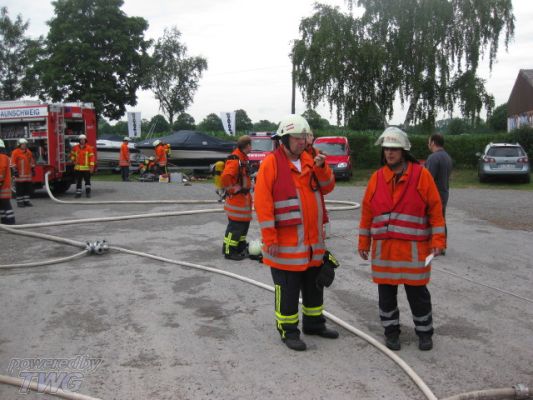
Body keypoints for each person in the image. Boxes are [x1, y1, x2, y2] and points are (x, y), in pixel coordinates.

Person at [358, 127, 446, 352]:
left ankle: (425, 333)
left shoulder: (421, 176)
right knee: (386, 296)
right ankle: (391, 333)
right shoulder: (377, 178)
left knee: (418, 296)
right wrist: (363, 242)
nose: (389, 152)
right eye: (386, 148)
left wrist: (438, 241)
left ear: (404, 151)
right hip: (385, 251)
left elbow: (435, 210)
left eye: (394, 148)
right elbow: (367, 213)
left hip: (413, 252)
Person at [254, 115, 338, 352]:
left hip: (312, 244)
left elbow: (328, 187)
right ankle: (288, 331)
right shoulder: (271, 164)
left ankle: (314, 324)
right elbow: (262, 203)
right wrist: (269, 237)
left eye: (304, 137)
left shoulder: (311, 160)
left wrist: (321, 168)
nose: (303, 142)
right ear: (284, 139)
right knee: (288, 292)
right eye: (297, 138)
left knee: (314, 288)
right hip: (285, 246)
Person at [221, 135, 253, 260]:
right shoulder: (235, 160)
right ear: (247, 146)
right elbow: (226, 176)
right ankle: (229, 251)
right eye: (250, 145)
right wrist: (232, 189)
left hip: (243, 200)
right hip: (237, 200)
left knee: (243, 226)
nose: (251, 147)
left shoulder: (242, 158)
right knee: (235, 227)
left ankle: (239, 247)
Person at [426, 133, 452, 219]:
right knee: (441, 220)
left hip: (434, 196)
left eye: (429, 142)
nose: (428, 144)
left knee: (433, 221)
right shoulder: (447, 157)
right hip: (444, 194)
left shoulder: (433, 158)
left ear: (433, 143)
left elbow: (427, 179)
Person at [10, 138, 35, 207]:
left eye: (25, 144)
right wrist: (15, 171)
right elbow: (12, 162)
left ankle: (26, 201)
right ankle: (20, 202)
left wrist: (33, 169)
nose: (24, 145)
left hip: (27, 175)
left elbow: (31, 161)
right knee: (19, 189)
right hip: (19, 176)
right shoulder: (15, 152)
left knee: (27, 189)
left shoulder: (29, 152)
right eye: (23, 144)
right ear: (19, 145)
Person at [0, 139, 15, 224]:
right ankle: (5, 221)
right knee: (2, 205)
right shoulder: (5, 157)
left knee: (5, 204)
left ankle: (10, 221)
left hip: (3, 186)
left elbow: (1, 171)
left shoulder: (2, 157)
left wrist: (0, 182)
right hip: (4, 185)